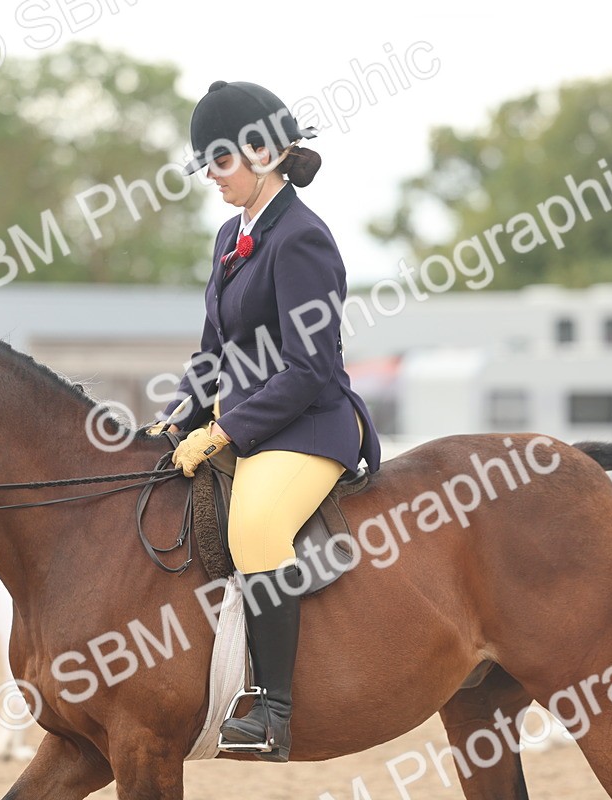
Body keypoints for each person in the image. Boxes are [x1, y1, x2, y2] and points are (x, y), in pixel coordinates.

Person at [153, 80, 382, 763]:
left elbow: (309, 369)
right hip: (249, 422)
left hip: (308, 426)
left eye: (220, 165)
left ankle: (274, 711)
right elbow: (212, 354)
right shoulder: (233, 234)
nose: (213, 180)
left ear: (261, 152)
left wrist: (224, 432)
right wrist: (172, 424)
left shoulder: (303, 238)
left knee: (254, 527)